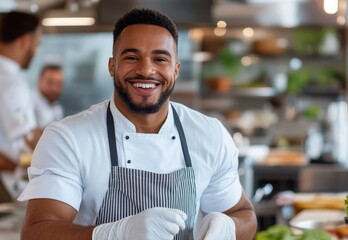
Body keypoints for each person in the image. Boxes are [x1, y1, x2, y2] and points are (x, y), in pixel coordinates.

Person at [19, 7, 257, 240]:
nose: (146, 70)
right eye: (132, 57)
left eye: (160, 58)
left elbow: (243, 215)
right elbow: (36, 232)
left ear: (176, 70)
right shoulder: (68, 138)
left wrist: (227, 227)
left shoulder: (209, 134)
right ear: (112, 65)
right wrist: (113, 234)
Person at [0, 10, 43, 198]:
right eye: (37, 44)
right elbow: (29, 136)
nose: (35, 50)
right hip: (5, 183)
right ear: (25, 41)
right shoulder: (10, 83)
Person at [34, 64, 64, 128]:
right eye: (50, 82)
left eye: (59, 83)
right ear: (39, 81)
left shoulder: (57, 107)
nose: (54, 88)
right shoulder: (28, 105)